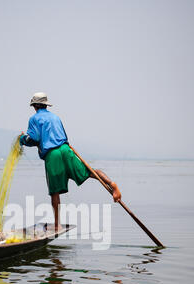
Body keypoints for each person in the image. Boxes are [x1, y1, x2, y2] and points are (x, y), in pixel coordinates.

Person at [20, 92, 121, 231]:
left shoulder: (34, 119)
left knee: (54, 191)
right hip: (66, 149)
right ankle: (112, 184)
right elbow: (64, 136)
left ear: (35, 106)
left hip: (52, 154)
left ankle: (57, 225)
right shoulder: (56, 117)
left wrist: (22, 140)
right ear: (45, 105)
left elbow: (34, 139)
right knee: (89, 172)